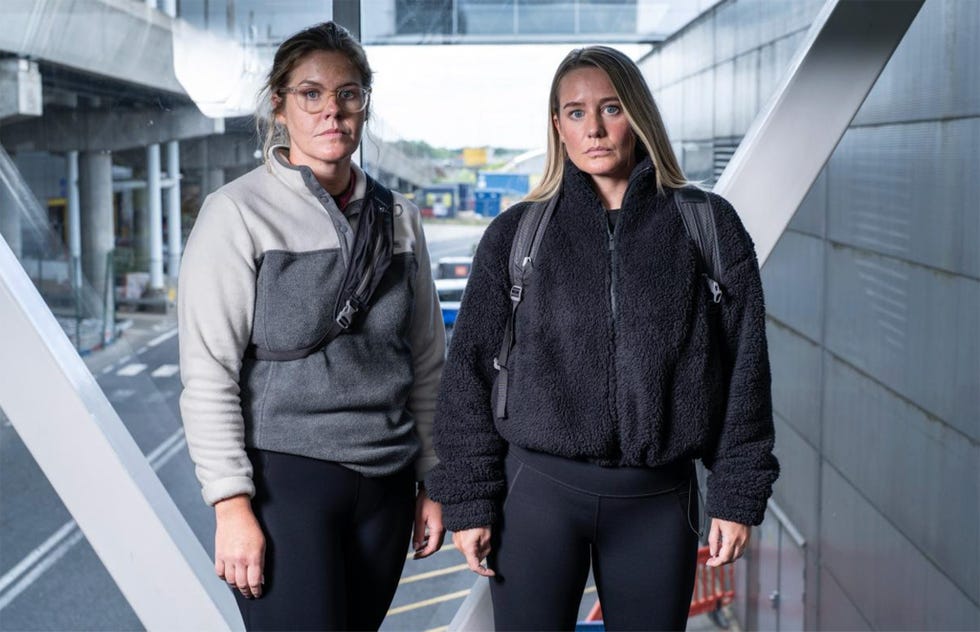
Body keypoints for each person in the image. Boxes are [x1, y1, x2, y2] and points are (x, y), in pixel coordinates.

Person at [426, 45, 778, 631]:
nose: (593, 128)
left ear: (638, 116)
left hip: (658, 503)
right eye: (575, 112)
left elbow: (747, 371)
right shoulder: (516, 234)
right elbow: (468, 375)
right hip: (535, 496)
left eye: (611, 108)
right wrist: (468, 498)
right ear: (558, 127)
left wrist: (736, 493)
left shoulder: (707, 225)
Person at [177, 21, 445, 631]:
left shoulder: (399, 217)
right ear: (279, 105)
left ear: (364, 105)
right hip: (286, 483)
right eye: (311, 94)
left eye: (349, 94)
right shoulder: (236, 213)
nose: (333, 111)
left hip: (387, 484)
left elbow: (428, 362)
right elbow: (209, 373)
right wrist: (230, 505)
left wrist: (434, 478)